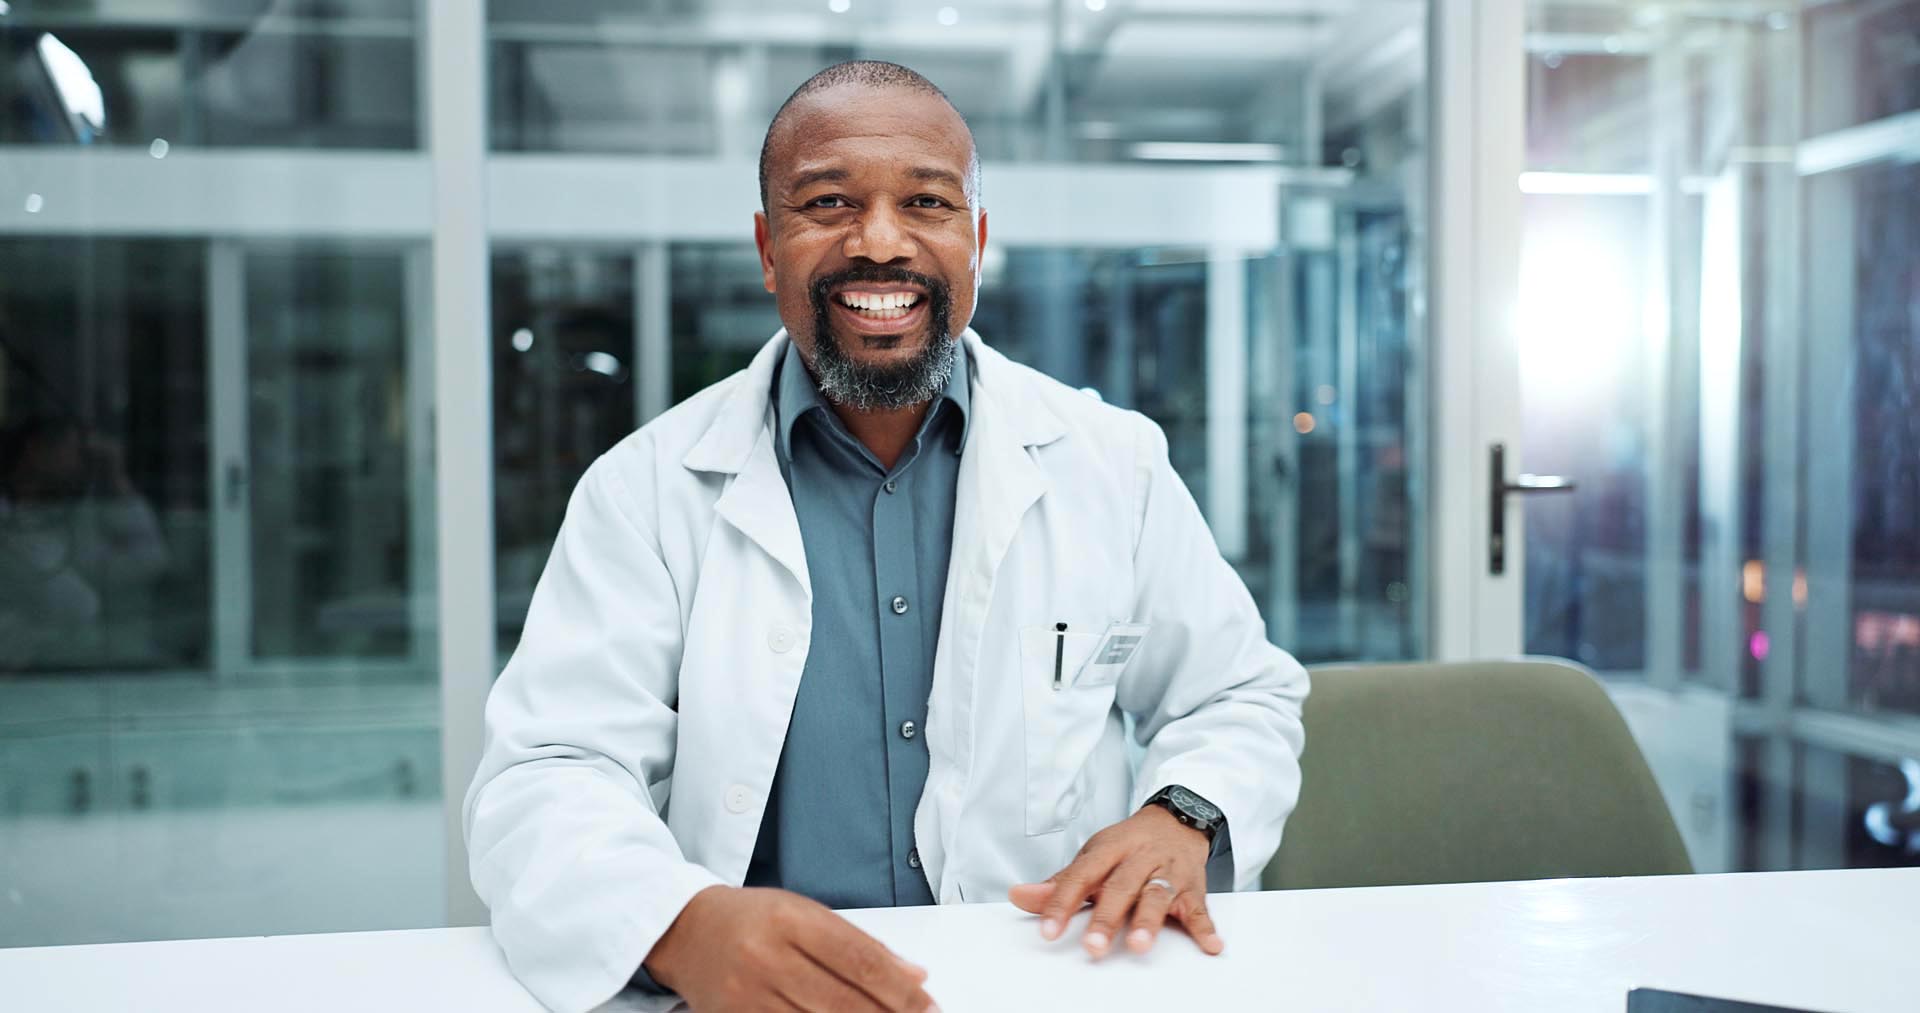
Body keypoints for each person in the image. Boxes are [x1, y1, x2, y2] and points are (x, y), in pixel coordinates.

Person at [464, 60, 1309, 1013]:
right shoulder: (645, 492)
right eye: (828, 201)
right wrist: (680, 923)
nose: (880, 242)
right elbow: (549, 774)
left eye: (927, 202)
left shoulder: (1112, 463)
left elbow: (1238, 695)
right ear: (767, 246)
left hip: (1036, 978)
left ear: (976, 240)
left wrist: (1183, 813)